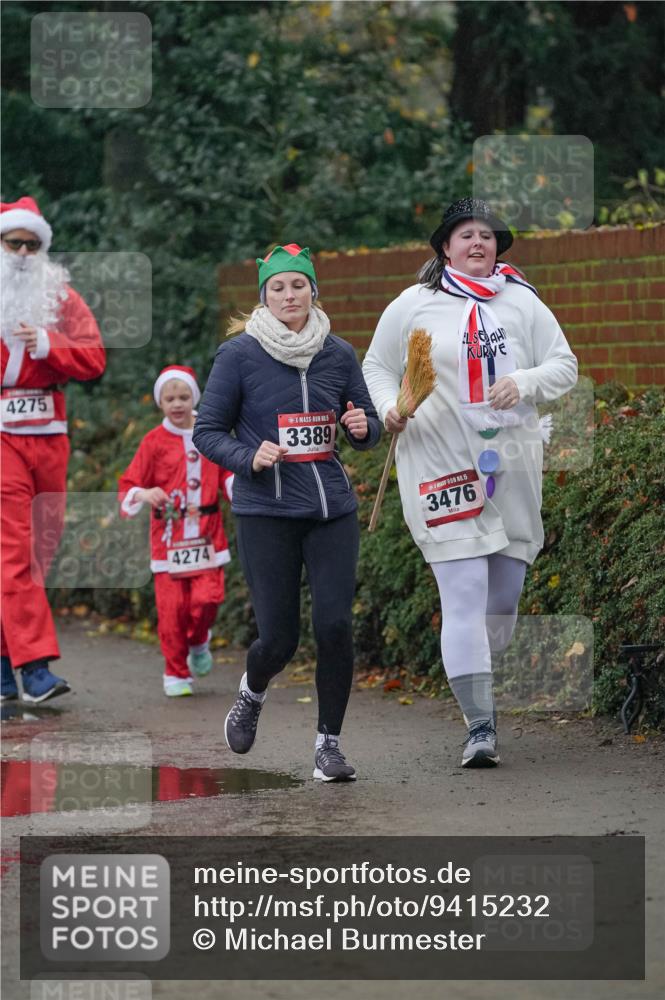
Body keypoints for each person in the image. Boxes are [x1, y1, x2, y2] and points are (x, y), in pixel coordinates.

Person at [362, 198, 578, 768]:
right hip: (440, 462)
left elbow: (565, 365)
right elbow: (377, 367)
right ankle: (479, 727)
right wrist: (390, 407)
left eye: (487, 235)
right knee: (461, 595)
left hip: (511, 460)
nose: (478, 242)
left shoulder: (522, 302)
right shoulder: (415, 304)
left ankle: (478, 666)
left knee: (500, 602)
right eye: (466, 235)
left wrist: (525, 380)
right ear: (445, 247)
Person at [193, 243, 381, 781]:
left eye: (298, 285)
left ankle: (328, 747)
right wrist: (248, 456)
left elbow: (364, 418)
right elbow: (207, 432)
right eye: (278, 287)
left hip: (330, 508)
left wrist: (364, 429)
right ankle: (252, 693)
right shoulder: (239, 355)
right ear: (265, 297)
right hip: (266, 510)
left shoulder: (338, 353)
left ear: (313, 291)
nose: (289, 295)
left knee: (336, 626)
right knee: (279, 639)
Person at [0, 196, 106, 704]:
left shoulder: (60, 298)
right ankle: (36, 667)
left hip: (49, 434)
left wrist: (47, 343)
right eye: (12, 242)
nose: (22, 251)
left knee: (36, 553)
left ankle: (2, 666)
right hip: (1, 440)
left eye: (31, 243)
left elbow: (94, 357)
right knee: (13, 551)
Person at [118, 366, 234, 697]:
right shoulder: (153, 442)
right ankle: (176, 672)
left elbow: (227, 473)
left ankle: (199, 640)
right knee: (171, 612)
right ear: (160, 402)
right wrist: (143, 493)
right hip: (168, 539)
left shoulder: (211, 432)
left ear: (195, 397)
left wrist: (241, 483)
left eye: (184, 396)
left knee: (207, 599)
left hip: (207, 537)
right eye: (170, 398)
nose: (177, 404)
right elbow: (129, 483)